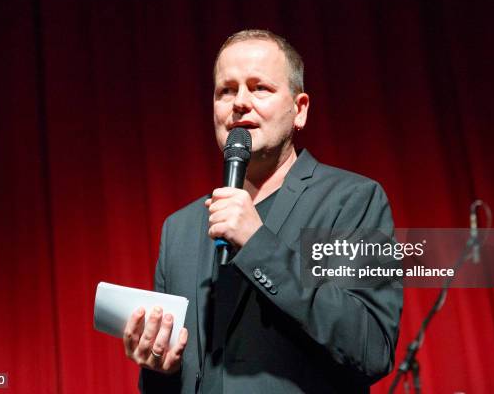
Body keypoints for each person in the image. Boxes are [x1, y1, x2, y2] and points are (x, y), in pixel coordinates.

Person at [123, 29, 402, 393]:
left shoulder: (350, 200)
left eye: (260, 88)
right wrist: (160, 368)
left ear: (299, 110)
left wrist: (257, 245)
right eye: (226, 90)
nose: (240, 102)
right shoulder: (181, 229)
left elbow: (371, 348)